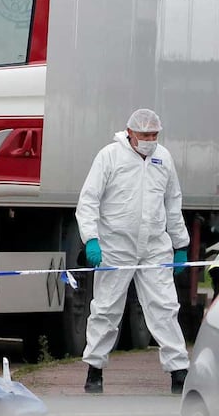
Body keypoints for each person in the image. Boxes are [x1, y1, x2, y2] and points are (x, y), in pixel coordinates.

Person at [76, 109, 190, 395]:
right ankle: (95, 371)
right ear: (130, 134)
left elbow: (172, 202)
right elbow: (89, 199)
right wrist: (91, 238)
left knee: (165, 307)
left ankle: (179, 373)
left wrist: (180, 245)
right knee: (105, 309)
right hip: (116, 247)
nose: (150, 140)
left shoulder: (163, 158)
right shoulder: (110, 156)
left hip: (154, 246)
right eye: (145, 135)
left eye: (154, 135)